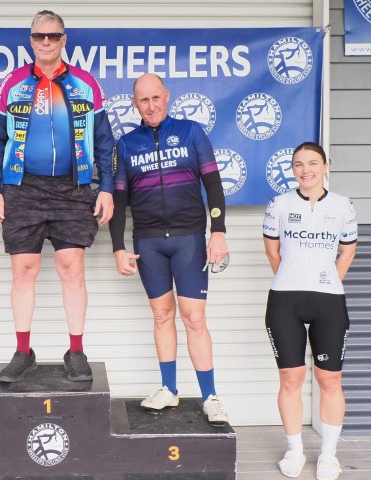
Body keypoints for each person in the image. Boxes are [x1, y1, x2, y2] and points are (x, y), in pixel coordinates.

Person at [0, 10, 115, 383]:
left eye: (53, 36)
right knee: (23, 270)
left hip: (73, 187)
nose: (46, 42)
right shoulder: (12, 83)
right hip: (22, 187)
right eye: (39, 36)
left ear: (64, 39)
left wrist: (106, 187)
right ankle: (23, 351)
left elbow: (105, 142)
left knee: (72, 269)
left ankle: (76, 350)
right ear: (30, 40)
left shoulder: (86, 84)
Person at [108, 73, 229, 426]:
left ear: (167, 96)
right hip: (148, 242)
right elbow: (118, 199)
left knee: (194, 318)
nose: (151, 106)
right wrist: (118, 248)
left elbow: (213, 184)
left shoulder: (191, 132)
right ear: (135, 104)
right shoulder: (126, 145)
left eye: (156, 98)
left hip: (188, 238)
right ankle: (168, 388)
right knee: (162, 316)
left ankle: (210, 397)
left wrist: (218, 232)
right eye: (144, 100)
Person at [263, 142, 357, 480]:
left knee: (329, 378)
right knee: (291, 378)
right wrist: (292, 278)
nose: (306, 170)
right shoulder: (279, 204)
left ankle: (329, 455)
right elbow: (272, 250)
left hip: (328, 300)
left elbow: (347, 251)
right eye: (299, 164)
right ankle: (295, 450)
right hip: (284, 299)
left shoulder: (343, 205)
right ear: (292, 169)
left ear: (325, 166)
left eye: (313, 163)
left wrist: (327, 280)